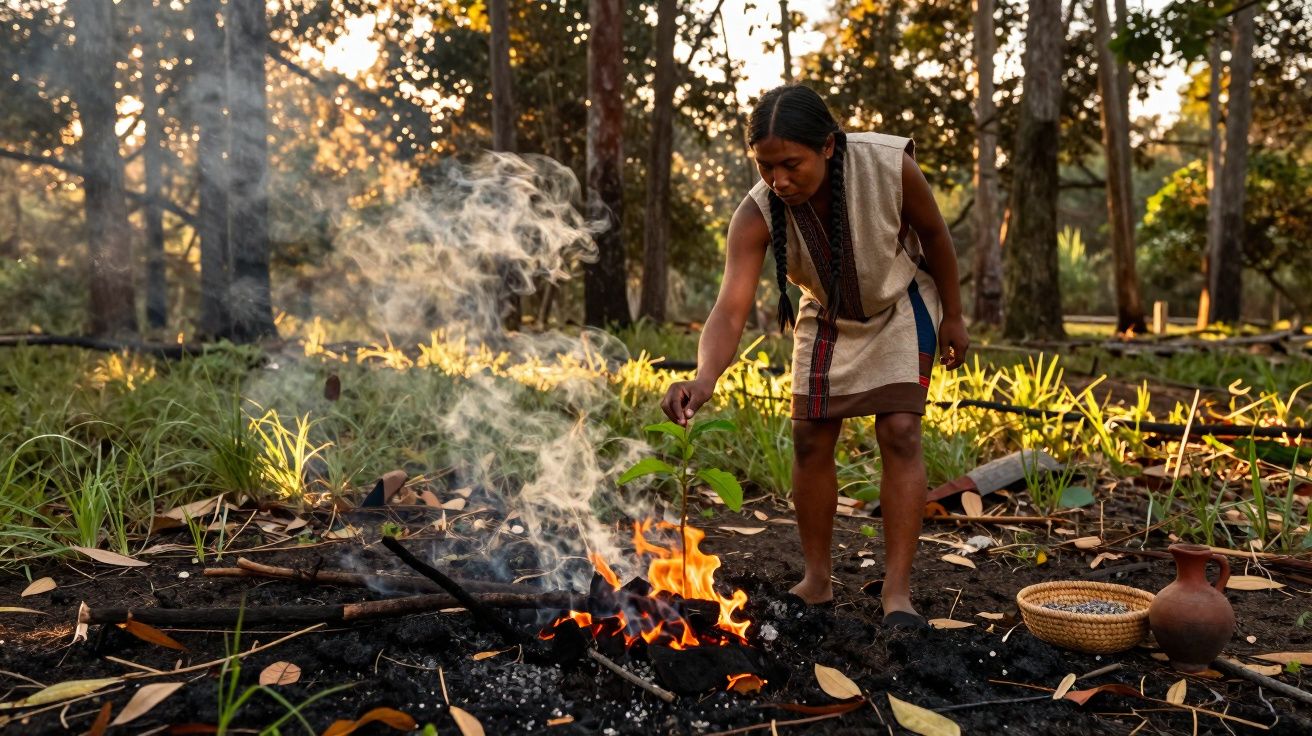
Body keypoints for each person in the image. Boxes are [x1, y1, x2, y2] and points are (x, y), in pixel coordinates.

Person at [659, 84, 969, 628]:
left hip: (901, 303)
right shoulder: (756, 213)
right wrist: (703, 377)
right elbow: (730, 308)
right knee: (808, 438)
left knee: (900, 430)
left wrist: (957, 317)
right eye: (765, 166)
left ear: (828, 146)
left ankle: (897, 592)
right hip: (826, 316)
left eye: (790, 164)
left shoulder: (889, 165)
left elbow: (937, 236)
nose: (778, 180)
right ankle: (818, 579)